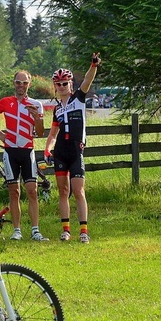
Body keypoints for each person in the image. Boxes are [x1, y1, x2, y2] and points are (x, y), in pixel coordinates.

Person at [0, 70, 48, 241]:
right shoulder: (6, 102)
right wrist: (0, 135)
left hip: (27, 151)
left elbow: (40, 133)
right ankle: (16, 230)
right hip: (10, 151)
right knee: (14, 191)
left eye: (25, 83)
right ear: (14, 83)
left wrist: (36, 118)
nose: (21, 86)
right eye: (18, 82)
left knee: (32, 191)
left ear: (29, 85)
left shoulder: (36, 105)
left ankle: (35, 230)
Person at [44, 53, 101, 243]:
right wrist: (47, 149)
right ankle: (66, 229)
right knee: (62, 191)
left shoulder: (79, 98)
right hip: (61, 153)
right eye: (58, 84)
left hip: (76, 151)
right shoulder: (57, 109)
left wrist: (93, 65)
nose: (61, 87)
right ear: (55, 87)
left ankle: (83, 231)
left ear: (71, 84)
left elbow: (87, 79)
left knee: (78, 191)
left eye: (65, 83)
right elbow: (53, 134)